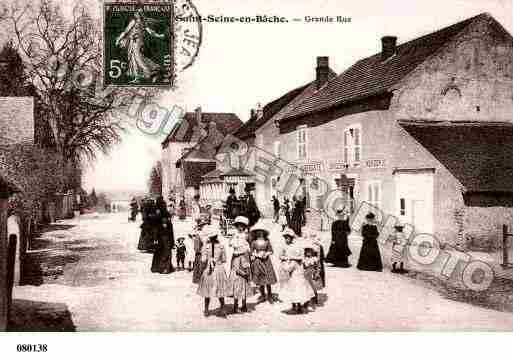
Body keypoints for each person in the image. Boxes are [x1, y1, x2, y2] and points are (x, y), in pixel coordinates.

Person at [115, 8, 165, 84]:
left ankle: (150, 71)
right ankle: (137, 77)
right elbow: (126, 31)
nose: (135, 14)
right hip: (132, 41)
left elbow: (151, 32)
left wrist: (159, 36)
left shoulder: (143, 23)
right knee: (133, 59)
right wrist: (119, 39)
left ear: (139, 14)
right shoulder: (133, 21)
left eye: (137, 13)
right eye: (136, 12)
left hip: (137, 42)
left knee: (137, 57)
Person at [197, 227, 229, 317]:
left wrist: (209, 260)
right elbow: (224, 259)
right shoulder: (220, 247)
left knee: (211, 290)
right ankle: (219, 308)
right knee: (217, 290)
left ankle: (209, 310)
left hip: (212, 269)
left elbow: (203, 260)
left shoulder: (206, 247)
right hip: (216, 269)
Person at [280, 245, 314, 315]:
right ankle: (299, 307)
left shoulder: (293, 262)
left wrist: (283, 263)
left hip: (294, 279)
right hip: (301, 279)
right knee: (299, 294)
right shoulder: (301, 262)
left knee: (293, 293)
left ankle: (295, 307)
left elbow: (288, 269)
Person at [228, 216, 251, 313]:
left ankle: (244, 305)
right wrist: (235, 243)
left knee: (244, 280)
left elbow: (248, 248)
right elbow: (231, 244)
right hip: (236, 258)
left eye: (242, 226)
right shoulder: (235, 235)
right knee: (236, 280)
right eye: (238, 226)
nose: (240, 228)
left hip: (244, 257)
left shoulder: (246, 235)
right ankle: (235, 304)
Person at [250, 221, 277, 303]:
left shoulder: (267, 241)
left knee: (268, 278)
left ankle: (269, 295)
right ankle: (262, 295)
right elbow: (251, 252)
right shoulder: (254, 242)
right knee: (261, 278)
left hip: (266, 261)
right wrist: (255, 255)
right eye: (258, 232)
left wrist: (266, 253)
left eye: (261, 232)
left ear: (264, 233)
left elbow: (271, 251)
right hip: (258, 261)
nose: (260, 233)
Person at [151, 196, 175, 274]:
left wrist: (155, 237)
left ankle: (158, 267)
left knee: (159, 251)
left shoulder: (156, 212)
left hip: (160, 234)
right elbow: (167, 225)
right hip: (165, 234)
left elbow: (155, 226)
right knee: (166, 250)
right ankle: (165, 268)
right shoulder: (163, 213)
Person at [303, 236, 325, 308]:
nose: (308, 253)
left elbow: (318, 267)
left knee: (313, 287)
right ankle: (306, 301)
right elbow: (302, 267)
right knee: (306, 288)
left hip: (312, 275)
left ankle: (315, 298)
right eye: (307, 251)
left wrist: (317, 273)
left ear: (313, 252)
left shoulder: (315, 259)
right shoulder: (304, 259)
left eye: (310, 251)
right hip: (306, 276)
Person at [192, 219, 207, 283]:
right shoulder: (199, 234)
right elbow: (197, 246)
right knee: (200, 265)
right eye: (203, 225)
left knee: (202, 265)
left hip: (203, 251)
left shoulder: (204, 233)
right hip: (200, 252)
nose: (204, 227)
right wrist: (200, 251)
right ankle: (199, 280)